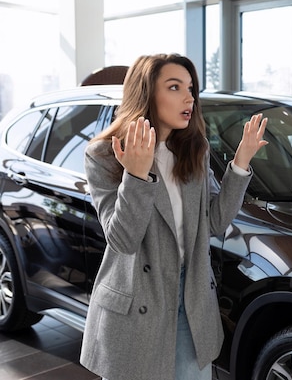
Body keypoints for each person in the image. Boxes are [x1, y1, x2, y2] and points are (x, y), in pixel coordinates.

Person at [80, 53, 268, 380]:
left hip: (191, 298)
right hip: (138, 302)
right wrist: (136, 177)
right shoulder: (106, 154)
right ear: (147, 93)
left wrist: (240, 164)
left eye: (191, 88)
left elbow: (214, 222)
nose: (189, 98)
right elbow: (122, 240)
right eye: (174, 87)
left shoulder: (193, 151)